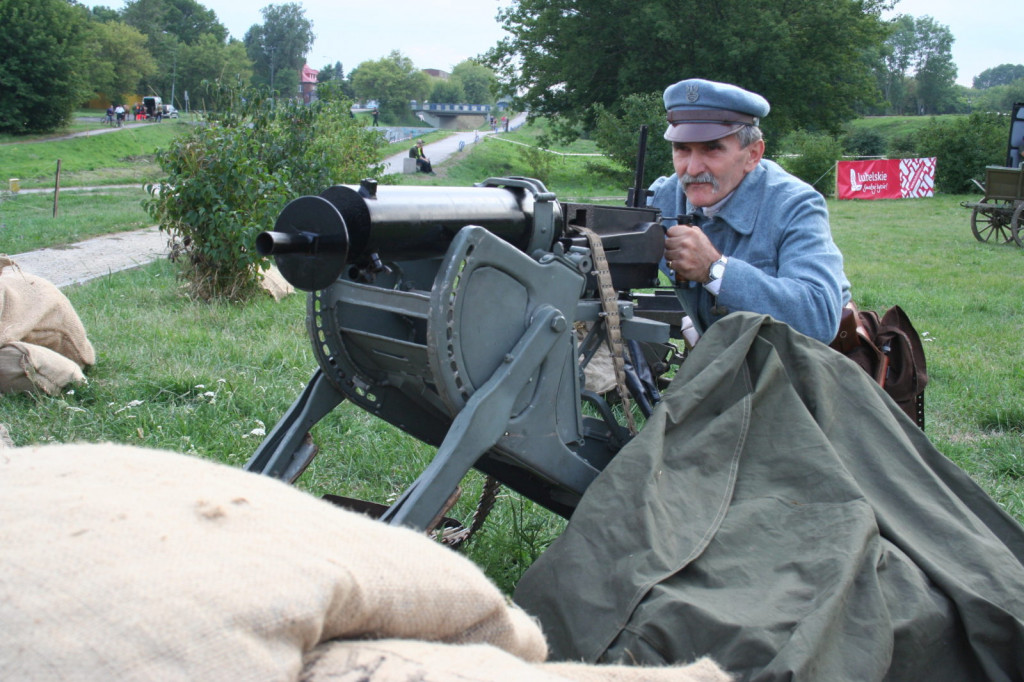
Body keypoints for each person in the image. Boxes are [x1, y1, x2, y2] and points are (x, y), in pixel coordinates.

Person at [650, 79, 850, 345]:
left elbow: (818, 318)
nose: (693, 168)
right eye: (682, 149)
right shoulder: (664, 198)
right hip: (726, 365)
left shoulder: (794, 205)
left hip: (800, 373)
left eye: (712, 148)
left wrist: (715, 269)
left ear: (753, 155)